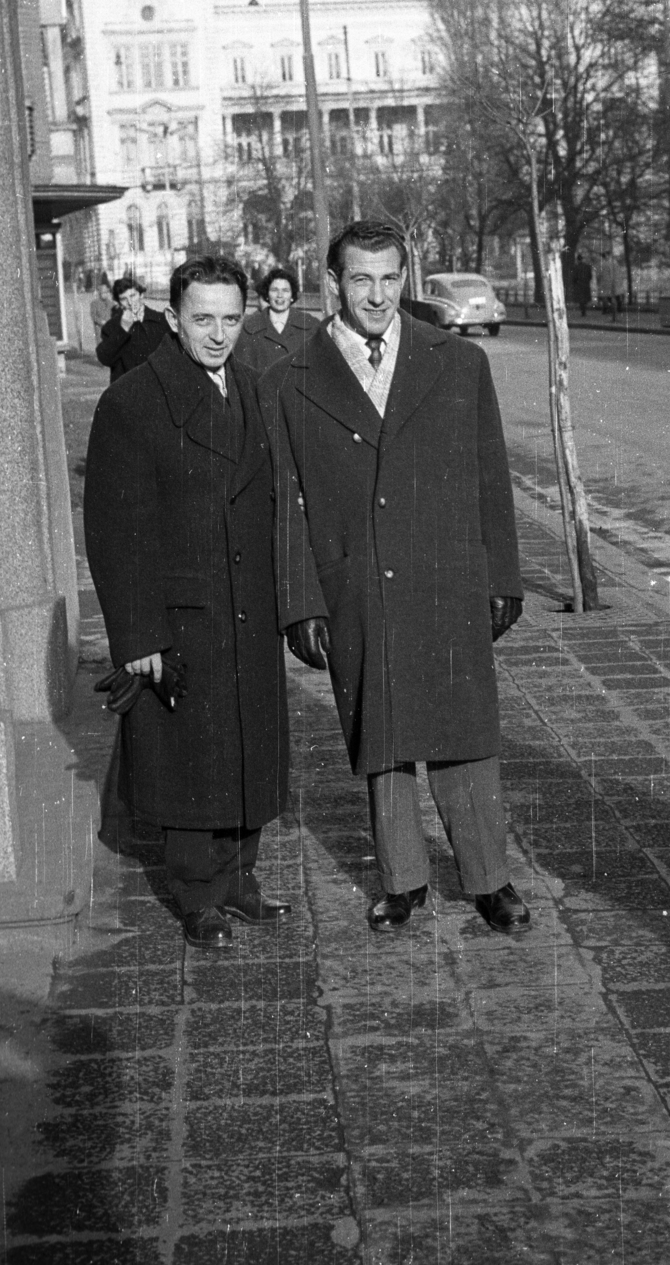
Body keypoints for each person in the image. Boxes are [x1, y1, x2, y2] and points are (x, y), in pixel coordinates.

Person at [261, 220, 530, 937]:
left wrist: (502, 575)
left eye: (388, 278)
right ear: (332, 283)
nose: (375, 295)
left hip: (446, 573)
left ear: (406, 278)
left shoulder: (457, 362)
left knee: (463, 731)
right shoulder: (288, 379)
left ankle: (487, 878)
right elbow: (286, 500)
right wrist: (298, 601)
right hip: (358, 577)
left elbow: (488, 477)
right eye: (359, 279)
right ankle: (401, 880)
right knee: (379, 733)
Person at [84, 256, 290, 949]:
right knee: (191, 758)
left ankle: (240, 881)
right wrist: (138, 636)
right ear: (172, 319)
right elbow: (114, 533)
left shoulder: (256, 390)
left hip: (248, 608)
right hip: (180, 617)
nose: (218, 334)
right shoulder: (133, 403)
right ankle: (198, 894)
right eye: (202, 318)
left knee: (247, 748)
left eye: (231, 319)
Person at [235, 266, 319, 375]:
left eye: (285, 290)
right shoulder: (249, 327)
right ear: (267, 295)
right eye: (274, 290)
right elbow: (241, 372)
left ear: (292, 296)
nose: (280, 295)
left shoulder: (310, 325)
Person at [96, 274, 168, 381]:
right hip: (126, 390)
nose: (130, 302)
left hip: (156, 387)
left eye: (133, 296)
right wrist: (123, 328)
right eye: (123, 299)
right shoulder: (111, 326)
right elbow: (105, 358)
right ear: (119, 303)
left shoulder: (161, 320)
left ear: (141, 295)